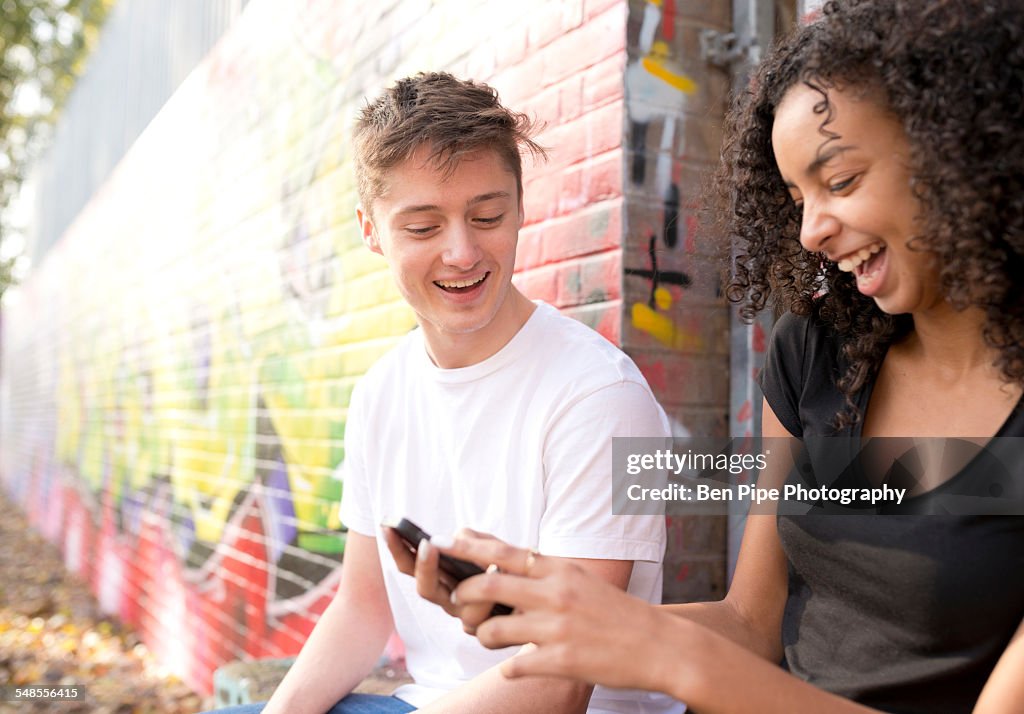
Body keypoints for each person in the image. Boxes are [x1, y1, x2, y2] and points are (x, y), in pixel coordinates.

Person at [415, 2, 1024, 712]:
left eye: (841, 181)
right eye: (795, 198)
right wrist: (561, 612)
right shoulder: (816, 355)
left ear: (958, 148)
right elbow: (751, 623)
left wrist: (664, 649)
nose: (811, 232)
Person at [210, 72, 680, 714]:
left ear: (519, 207)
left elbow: (560, 681)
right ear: (370, 230)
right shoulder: (380, 393)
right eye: (424, 228)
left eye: (487, 216)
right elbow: (360, 606)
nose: (462, 252)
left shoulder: (599, 396)